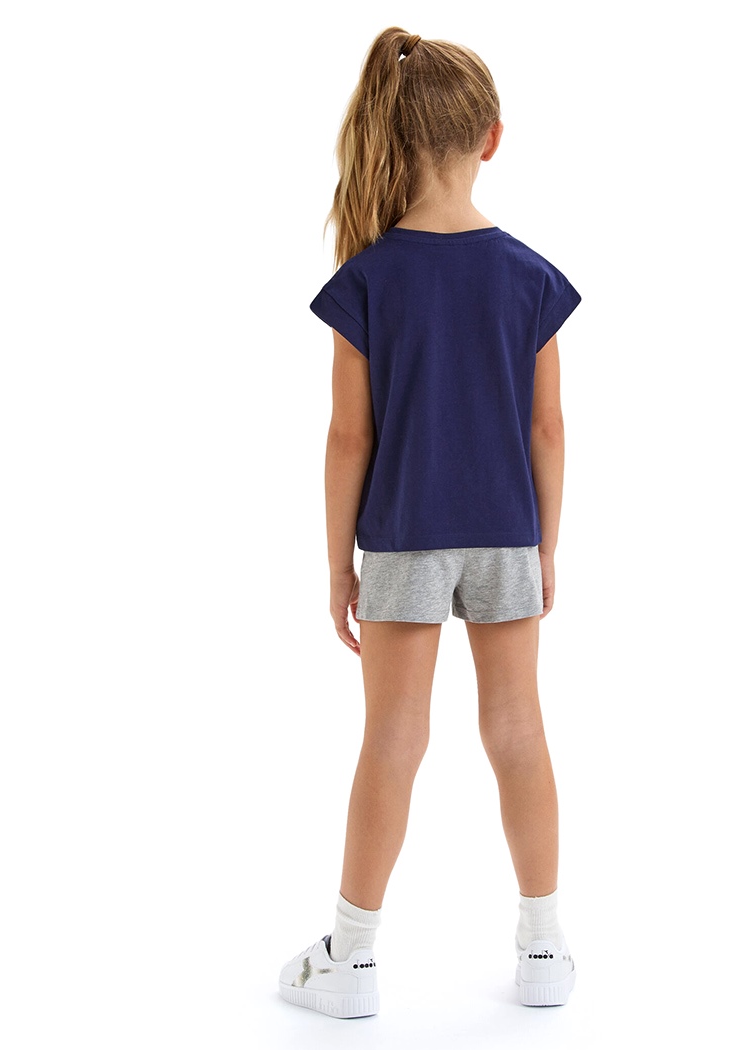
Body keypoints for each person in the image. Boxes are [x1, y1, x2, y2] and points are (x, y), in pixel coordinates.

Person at [278, 26, 581, 1018]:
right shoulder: (530, 277)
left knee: (392, 741)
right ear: (491, 138)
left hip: (403, 535)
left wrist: (339, 565)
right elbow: (547, 427)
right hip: (505, 533)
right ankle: (545, 946)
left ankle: (352, 958)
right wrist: (544, 545)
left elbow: (347, 438)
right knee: (519, 731)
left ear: (394, 137)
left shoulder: (368, 280)